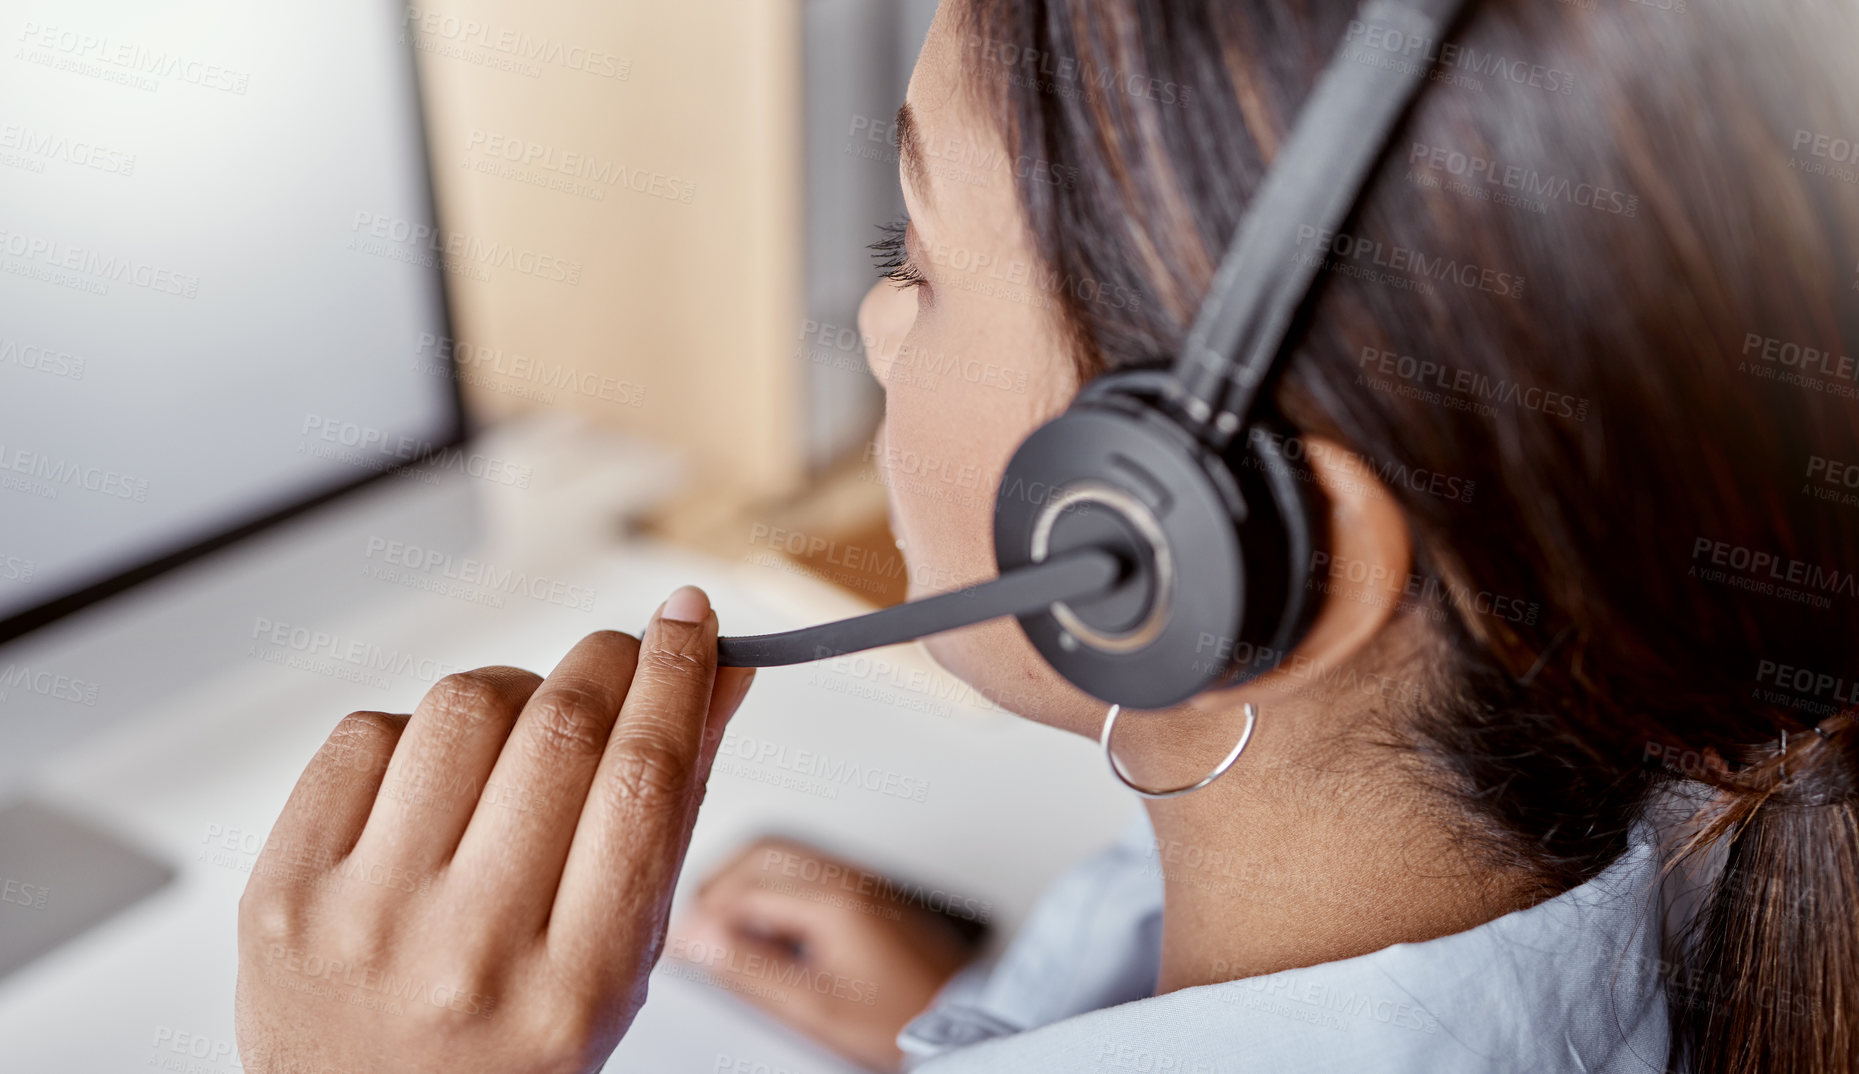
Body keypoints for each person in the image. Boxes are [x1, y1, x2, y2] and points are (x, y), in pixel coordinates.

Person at [234, 0, 1859, 1072]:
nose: (878, 320)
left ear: (1199, 537)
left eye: (918, 252)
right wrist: (998, 1017)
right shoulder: (1703, 830)